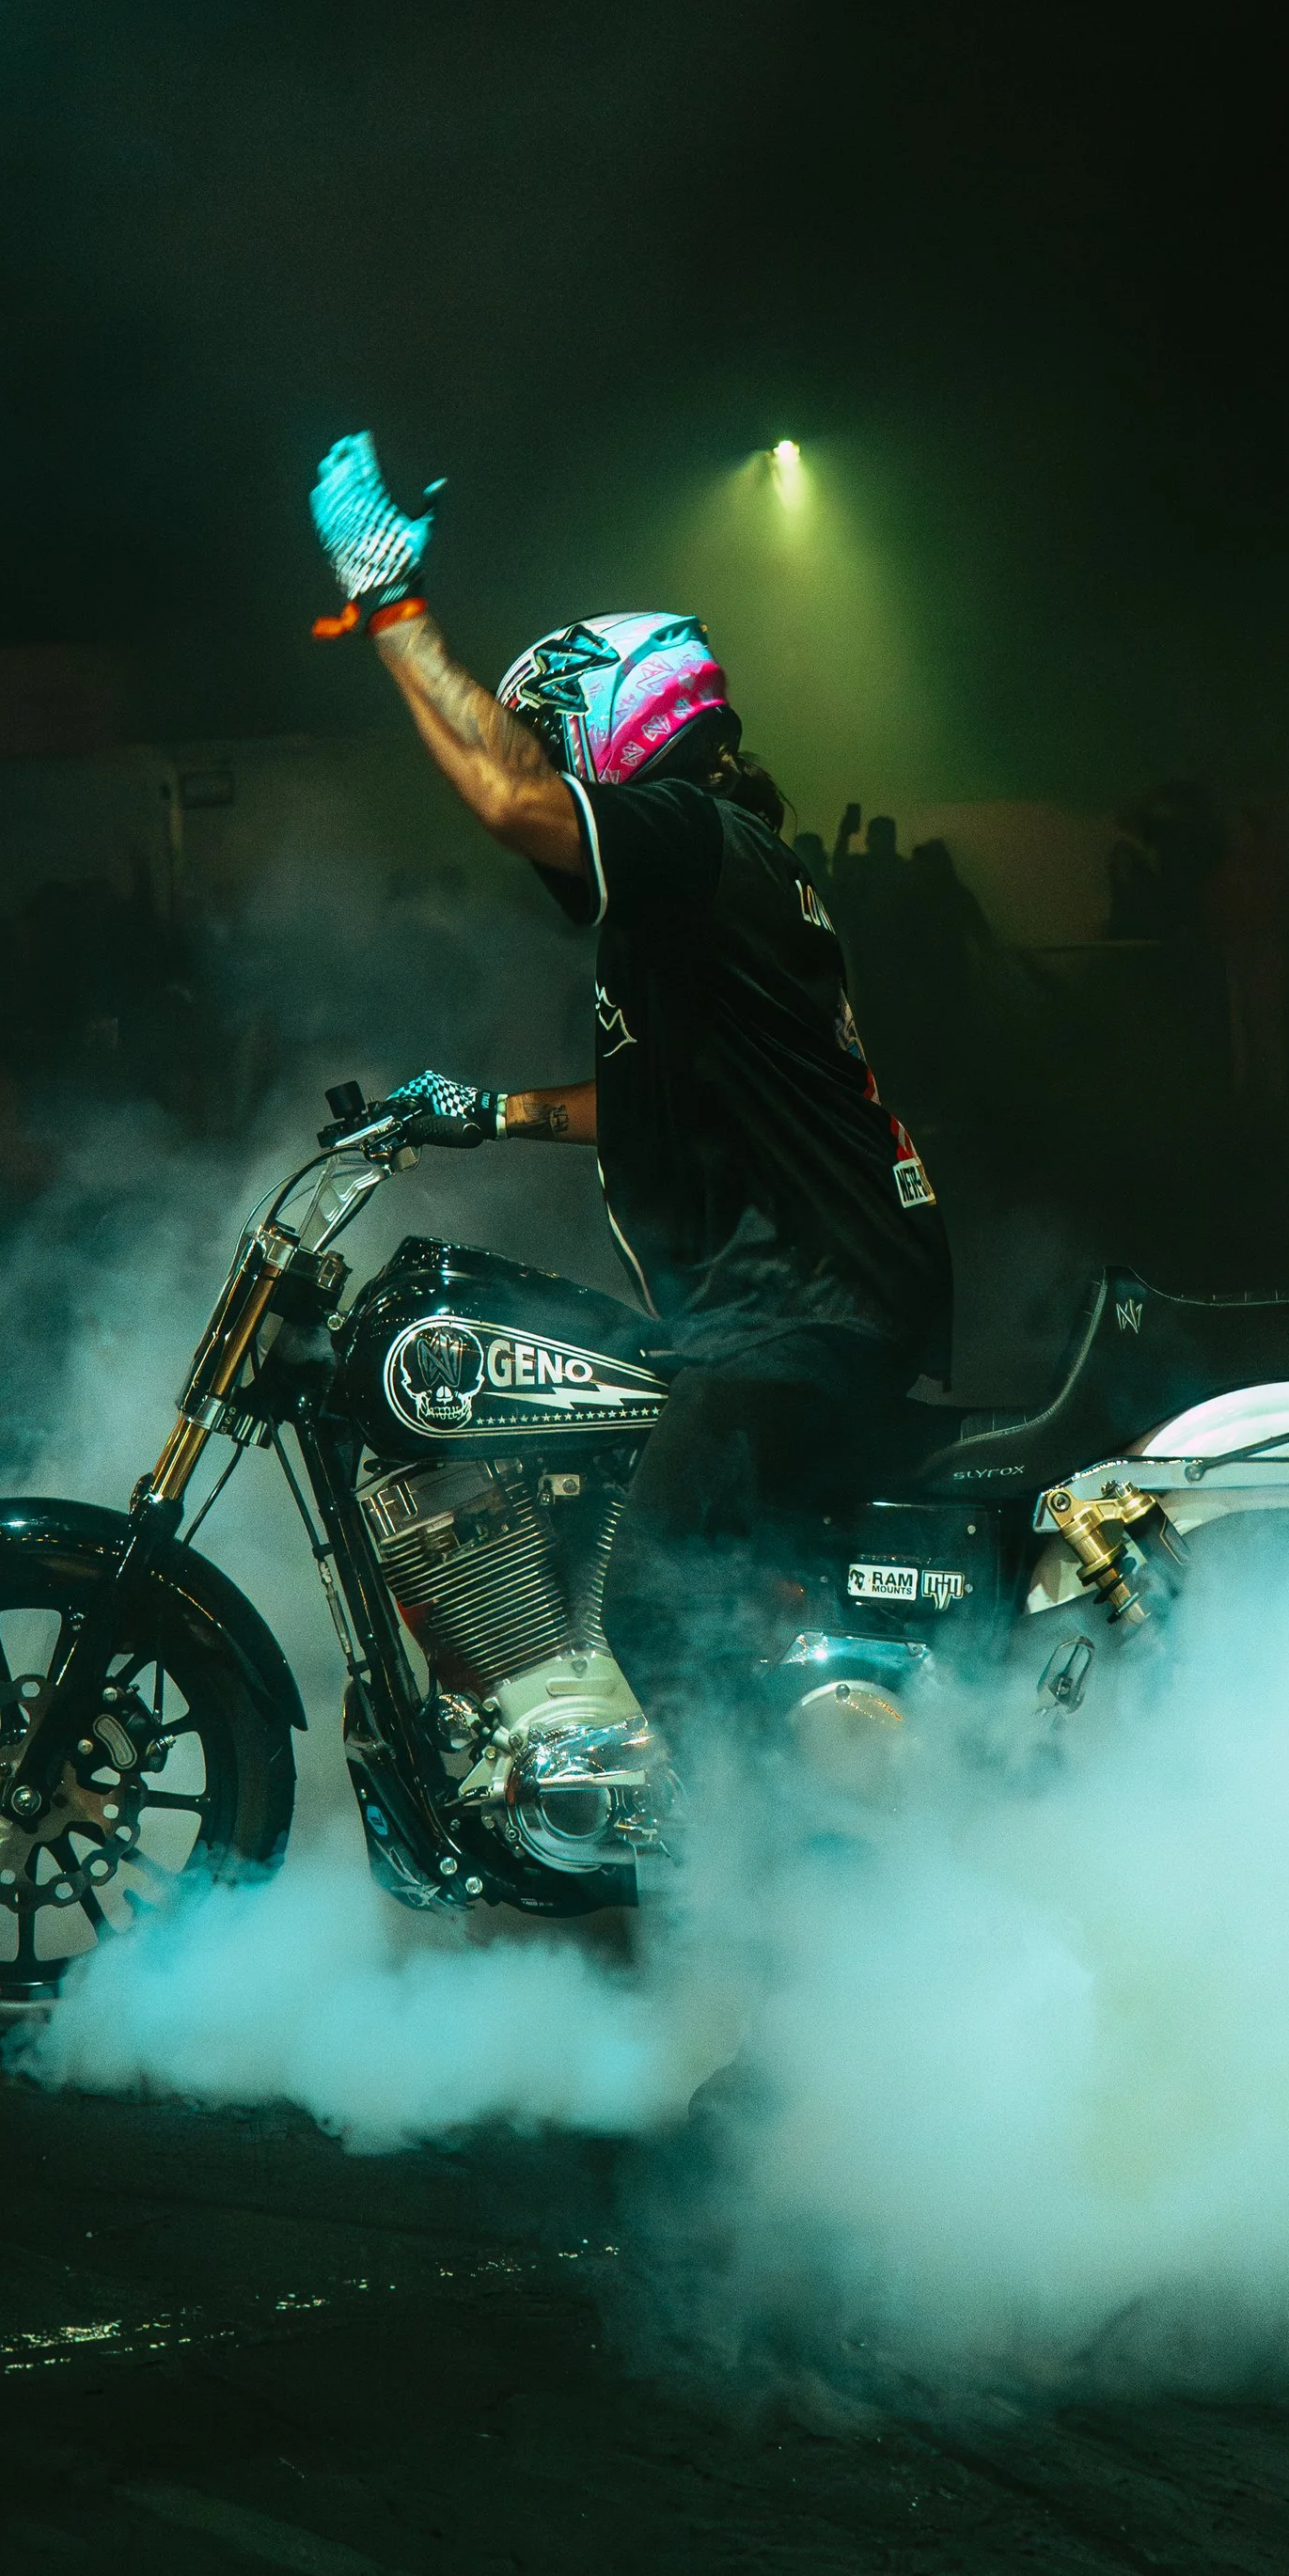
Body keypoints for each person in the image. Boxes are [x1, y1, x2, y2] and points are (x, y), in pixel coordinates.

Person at [307, 432, 951, 1731]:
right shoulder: (711, 878)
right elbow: (672, 1096)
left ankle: (747, 1896)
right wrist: (495, 1112)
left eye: (561, 732)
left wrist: (392, 603)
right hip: (804, 1303)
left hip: (800, 1313)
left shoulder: (690, 841)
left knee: (653, 1604)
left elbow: (506, 794)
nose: (550, 756)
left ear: (625, 713)